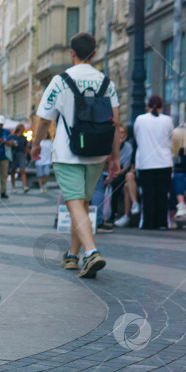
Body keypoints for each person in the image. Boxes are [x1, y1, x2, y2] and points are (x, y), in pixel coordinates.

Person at [31, 32, 120, 279]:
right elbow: (115, 123)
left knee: (73, 203)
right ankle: (72, 255)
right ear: (95, 54)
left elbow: (44, 118)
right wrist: (115, 157)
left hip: (67, 152)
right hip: (97, 154)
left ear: (72, 53)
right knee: (81, 204)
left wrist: (36, 144)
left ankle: (91, 252)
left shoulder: (60, 81)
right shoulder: (107, 83)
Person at [133, 95, 173, 229]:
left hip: (146, 163)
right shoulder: (168, 120)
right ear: (161, 106)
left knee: (147, 195)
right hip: (164, 162)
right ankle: (162, 223)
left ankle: (148, 223)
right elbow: (170, 138)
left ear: (147, 105)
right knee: (162, 194)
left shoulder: (140, 119)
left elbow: (136, 136)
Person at [9, 124, 30, 193]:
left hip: (21, 154)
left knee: (22, 169)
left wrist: (30, 153)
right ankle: (13, 186)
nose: (24, 129)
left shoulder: (23, 138)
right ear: (19, 128)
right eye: (22, 128)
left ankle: (24, 186)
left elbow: (26, 147)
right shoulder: (13, 137)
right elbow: (10, 145)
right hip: (14, 154)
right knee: (13, 170)